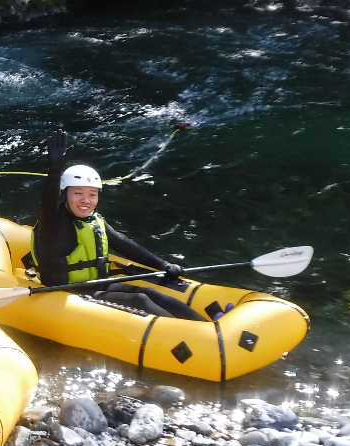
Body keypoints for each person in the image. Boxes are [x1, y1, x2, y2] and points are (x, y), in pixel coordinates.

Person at [30, 131, 219, 321]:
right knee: (140, 301)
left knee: (152, 294)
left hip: (97, 284)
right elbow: (47, 202)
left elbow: (127, 245)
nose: (86, 200)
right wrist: (55, 171)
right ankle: (197, 335)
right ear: (64, 195)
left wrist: (164, 265)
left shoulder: (93, 222)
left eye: (92, 195)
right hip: (71, 294)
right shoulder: (53, 224)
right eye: (78, 193)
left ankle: (207, 325)